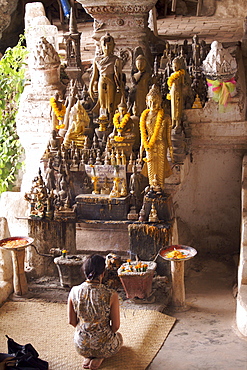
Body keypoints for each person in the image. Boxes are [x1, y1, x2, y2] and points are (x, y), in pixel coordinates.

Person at [68, 254, 123, 370]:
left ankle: (88, 355)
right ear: (103, 273)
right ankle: (99, 356)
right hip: (104, 345)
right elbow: (116, 326)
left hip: (81, 345)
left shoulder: (74, 291)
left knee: (86, 341)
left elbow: (72, 322)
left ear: (84, 272)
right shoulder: (111, 295)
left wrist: (87, 331)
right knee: (119, 337)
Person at [139, 85, 173, 190]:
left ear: (160, 102)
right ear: (146, 102)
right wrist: (141, 152)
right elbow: (143, 136)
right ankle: (152, 187)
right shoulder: (144, 117)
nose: (153, 104)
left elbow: (168, 137)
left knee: (160, 169)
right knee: (151, 168)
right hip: (149, 145)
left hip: (161, 145)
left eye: (155, 102)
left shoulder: (166, 117)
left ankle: (161, 188)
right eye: (150, 102)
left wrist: (171, 150)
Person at [89, 33, 123, 122]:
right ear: (101, 46)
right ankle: (103, 120)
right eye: (104, 46)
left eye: (109, 45)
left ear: (113, 46)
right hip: (101, 81)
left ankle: (112, 120)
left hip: (111, 81)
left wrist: (116, 72)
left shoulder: (116, 59)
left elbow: (119, 77)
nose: (107, 48)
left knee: (110, 102)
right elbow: (95, 75)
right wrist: (90, 87)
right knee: (102, 102)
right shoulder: (97, 60)